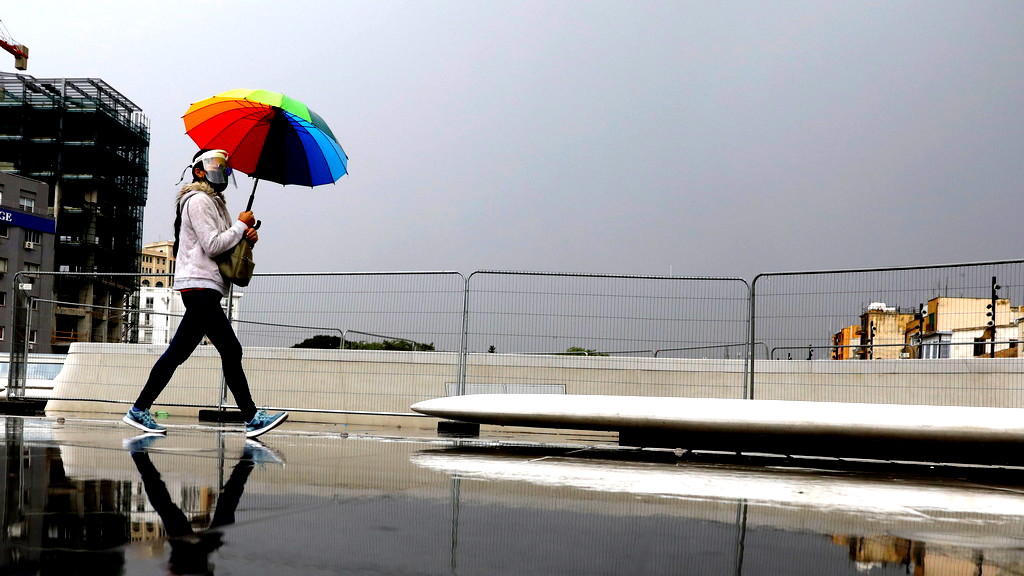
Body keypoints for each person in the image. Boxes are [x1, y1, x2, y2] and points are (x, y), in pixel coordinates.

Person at [123, 149, 287, 439]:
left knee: (177, 352)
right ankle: (252, 418)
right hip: (199, 286)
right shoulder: (198, 200)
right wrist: (240, 225)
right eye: (214, 165)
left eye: (224, 166)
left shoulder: (213, 203)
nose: (221, 171)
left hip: (205, 286)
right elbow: (212, 245)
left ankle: (138, 410)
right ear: (199, 170)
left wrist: (246, 236)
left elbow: (223, 247)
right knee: (231, 349)